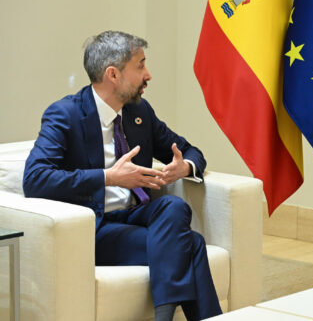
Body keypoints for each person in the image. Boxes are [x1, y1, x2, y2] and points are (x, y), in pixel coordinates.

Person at [23, 31, 222, 321]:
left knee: (175, 206)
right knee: (190, 244)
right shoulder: (64, 115)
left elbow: (190, 151)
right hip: (93, 227)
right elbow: (36, 179)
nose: (148, 74)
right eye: (140, 65)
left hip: (133, 214)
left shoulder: (139, 113)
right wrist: (108, 177)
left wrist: (185, 167)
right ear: (113, 74)